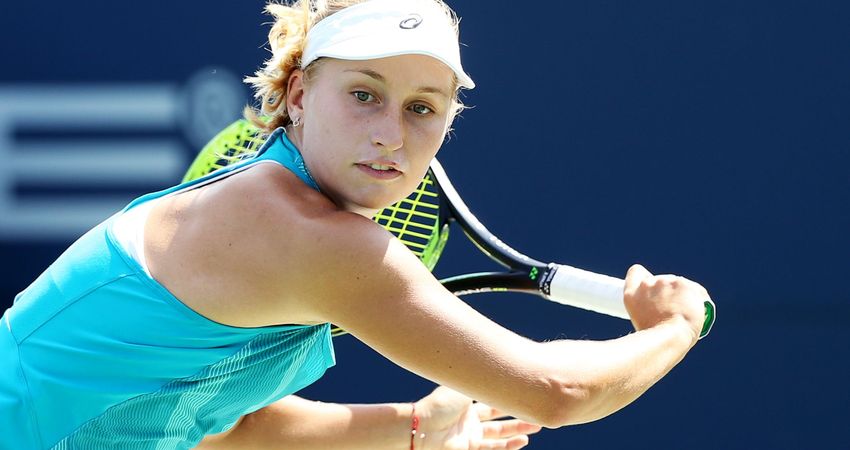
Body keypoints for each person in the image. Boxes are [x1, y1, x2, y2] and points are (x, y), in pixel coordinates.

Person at [0, 0, 711, 449]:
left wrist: (411, 428)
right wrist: (671, 329)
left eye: (422, 108)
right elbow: (556, 392)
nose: (390, 136)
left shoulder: (277, 205)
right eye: (364, 95)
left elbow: (222, 429)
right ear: (302, 94)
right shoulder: (305, 235)